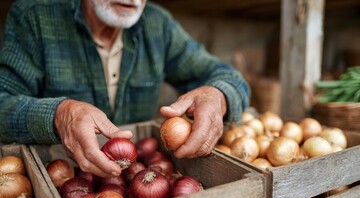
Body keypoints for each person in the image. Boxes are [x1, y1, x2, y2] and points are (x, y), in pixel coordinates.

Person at [0, 0, 250, 177]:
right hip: (59, 175)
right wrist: (59, 114)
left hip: (140, 175)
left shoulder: (158, 25)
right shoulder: (34, 16)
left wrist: (218, 96)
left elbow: (229, 77)